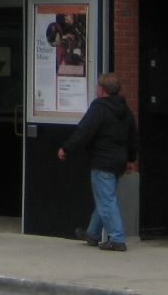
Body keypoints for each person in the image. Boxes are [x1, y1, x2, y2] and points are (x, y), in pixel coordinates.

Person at [58, 71, 138, 251]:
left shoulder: (99, 107)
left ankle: (117, 238)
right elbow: (133, 136)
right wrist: (131, 159)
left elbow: (84, 131)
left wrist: (67, 147)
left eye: (97, 87)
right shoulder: (126, 110)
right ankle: (92, 234)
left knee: (106, 200)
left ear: (102, 90)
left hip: (102, 161)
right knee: (105, 198)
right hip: (119, 160)